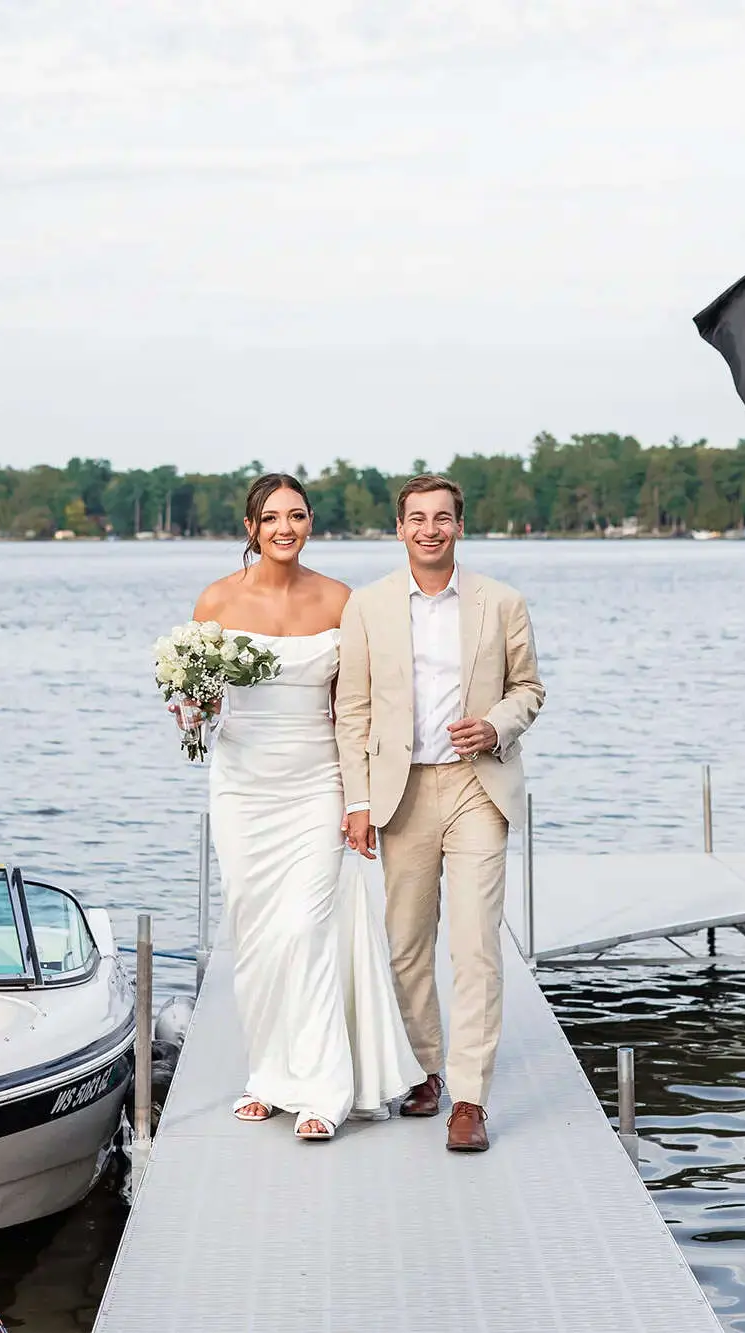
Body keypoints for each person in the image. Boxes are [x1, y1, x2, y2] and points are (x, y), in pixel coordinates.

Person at [180, 473, 423, 1142]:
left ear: (311, 521)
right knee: (254, 933)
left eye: (296, 514)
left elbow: (356, 709)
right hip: (242, 784)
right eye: (270, 517)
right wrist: (189, 709)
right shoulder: (217, 600)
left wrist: (361, 799)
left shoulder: (340, 600)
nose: (284, 526)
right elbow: (198, 705)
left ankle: (324, 1088)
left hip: (317, 781)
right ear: (251, 527)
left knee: (304, 927)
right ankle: (269, 1075)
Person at [336, 475, 545, 1152]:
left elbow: (530, 689)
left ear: (460, 525)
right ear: (399, 528)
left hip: (477, 788)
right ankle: (425, 1067)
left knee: (476, 942)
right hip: (401, 793)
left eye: (443, 518)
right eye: (417, 518)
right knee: (406, 941)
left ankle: (471, 1098)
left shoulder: (501, 601)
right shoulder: (366, 606)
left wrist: (496, 724)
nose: (430, 528)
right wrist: (360, 801)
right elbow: (353, 709)